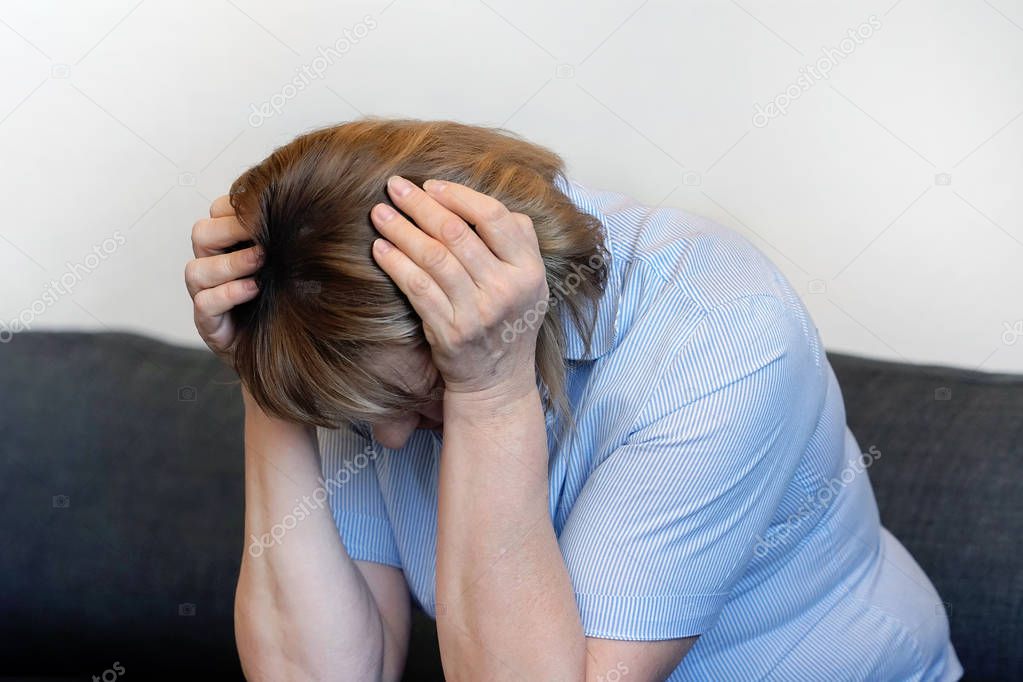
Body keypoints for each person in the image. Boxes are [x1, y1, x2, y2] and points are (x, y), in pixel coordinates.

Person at [184, 117, 963, 681]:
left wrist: (487, 393)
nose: (387, 441)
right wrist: (268, 374)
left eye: (415, 401)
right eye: (355, 412)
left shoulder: (723, 328)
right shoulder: (360, 336)